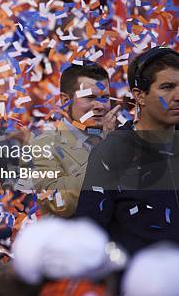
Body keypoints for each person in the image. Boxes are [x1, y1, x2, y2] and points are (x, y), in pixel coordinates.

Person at [74, 46, 179, 254]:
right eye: (167, 87)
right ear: (139, 96)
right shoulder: (112, 152)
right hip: (139, 282)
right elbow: (89, 233)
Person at [30, 62, 120, 217]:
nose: (100, 105)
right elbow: (61, 203)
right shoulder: (42, 145)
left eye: (104, 98)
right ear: (66, 101)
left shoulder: (120, 140)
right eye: (90, 97)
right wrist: (103, 152)